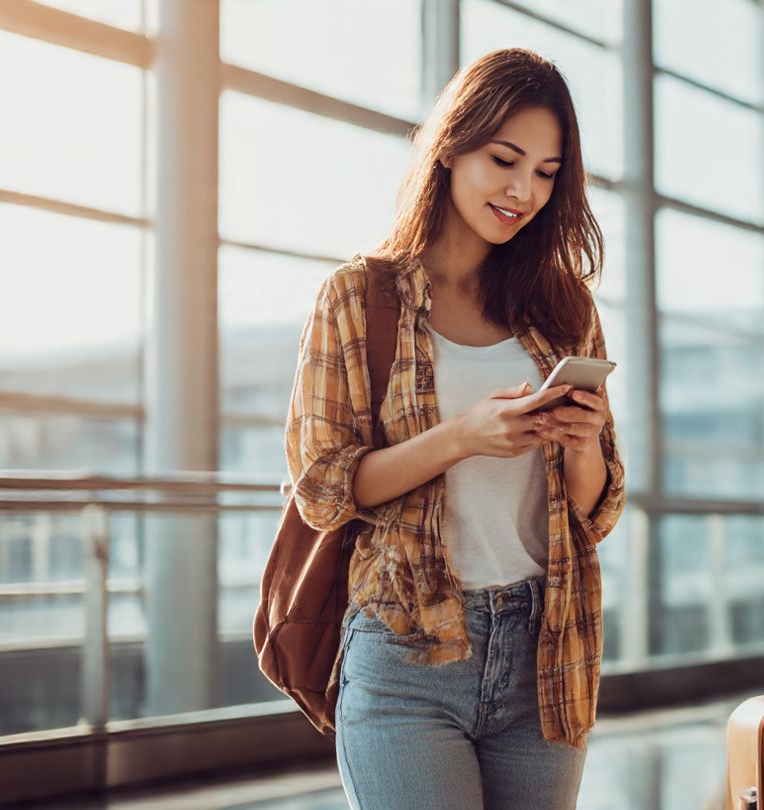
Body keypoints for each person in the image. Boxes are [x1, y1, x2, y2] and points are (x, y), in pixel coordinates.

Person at [284, 47, 626, 810]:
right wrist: (463, 436)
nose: (522, 190)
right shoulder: (357, 296)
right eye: (505, 160)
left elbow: (595, 509)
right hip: (408, 648)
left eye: (546, 172)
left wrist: (581, 443)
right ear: (450, 146)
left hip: (547, 653)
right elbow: (323, 487)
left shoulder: (564, 307)